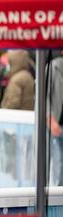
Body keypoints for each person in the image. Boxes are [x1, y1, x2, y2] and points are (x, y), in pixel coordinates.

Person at [48, 50, 63, 186]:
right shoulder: (53, 68)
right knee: (59, 162)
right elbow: (42, 97)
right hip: (57, 124)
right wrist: (51, 120)